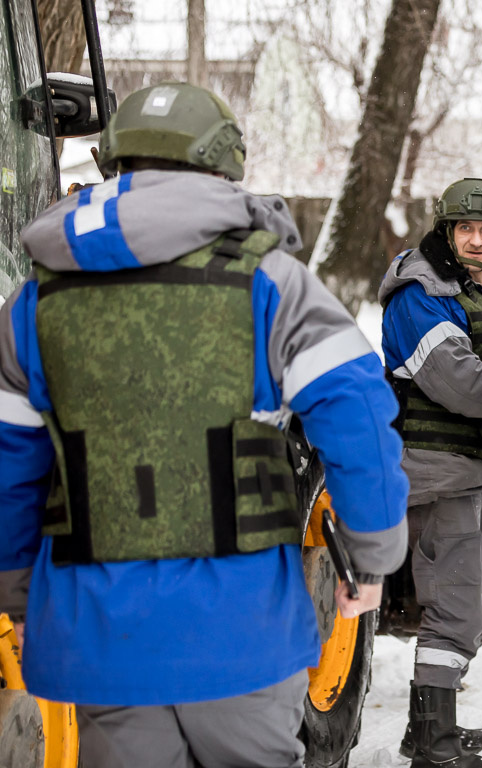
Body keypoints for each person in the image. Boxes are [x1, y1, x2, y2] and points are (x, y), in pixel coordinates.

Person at [0, 83, 409, 768]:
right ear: (223, 166)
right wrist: (372, 556)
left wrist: (15, 589)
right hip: (240, 634)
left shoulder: (33, 300)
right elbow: (357, 415)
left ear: (113, 163)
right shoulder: (272, 284)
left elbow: (11, 464)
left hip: (97, 638)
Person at [379, 178, 482, 768]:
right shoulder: (422, 293)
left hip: (471, 469)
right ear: (446, 232)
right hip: (435, 470)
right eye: (465, 228)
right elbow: (459, 380)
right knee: (455, 612)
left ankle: (426, 731)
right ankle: (435, 751)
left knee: (478, 609)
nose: (477, 240)